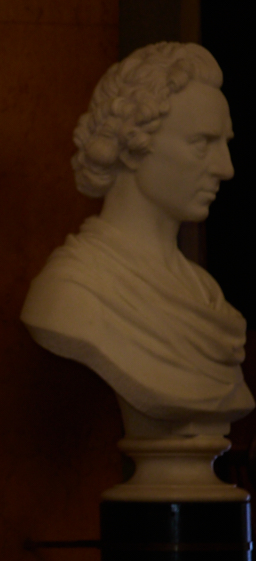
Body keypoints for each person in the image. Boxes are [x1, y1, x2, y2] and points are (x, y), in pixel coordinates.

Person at [21, 42, 252, 436]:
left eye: (225, 145)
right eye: (202, 144)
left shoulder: (204, 294)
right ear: (132, 142)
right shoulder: (72, 292)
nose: (225, 168)